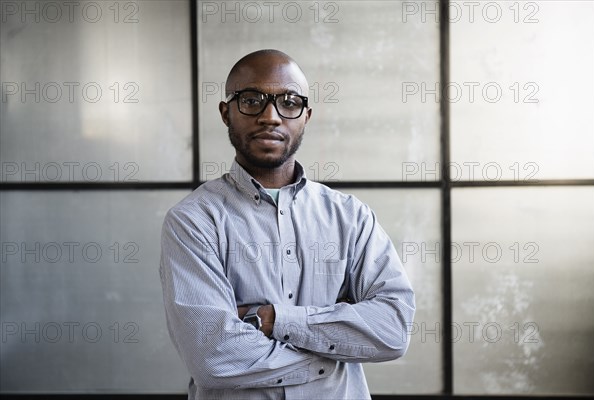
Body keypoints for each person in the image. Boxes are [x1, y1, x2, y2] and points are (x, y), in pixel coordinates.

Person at [159, 49, 415, 400]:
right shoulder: (193, 221)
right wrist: (330, 358)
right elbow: (214, 357)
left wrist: (271, 319)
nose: (271, 117)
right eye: (251, 100)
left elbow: (393, 328)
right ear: (225, 112)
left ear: (306, 116)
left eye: (289, 102)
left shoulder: (351, 217)